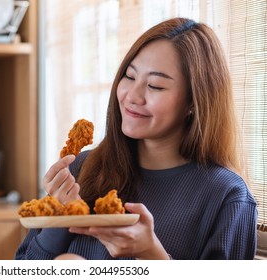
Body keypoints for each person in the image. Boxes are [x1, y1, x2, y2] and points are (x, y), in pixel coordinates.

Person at [15, 17, 258, 260]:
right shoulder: (81, 169)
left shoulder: (228, 197)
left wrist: (153, 255)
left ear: (193, 103)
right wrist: (58, 221)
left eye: (155, 86)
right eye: (130, 77)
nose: (132, 96)